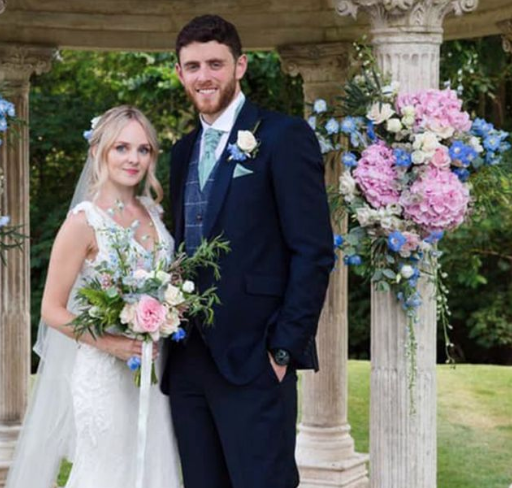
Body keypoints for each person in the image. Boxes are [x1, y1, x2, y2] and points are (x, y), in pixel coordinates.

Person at [162, 15, 335, 488]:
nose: (204, 76)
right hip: (186, 360)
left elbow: (314, 251)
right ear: (179, 72)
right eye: (193, 66)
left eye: (215, 63)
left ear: (240, 65)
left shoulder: (283, 136)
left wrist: (283, 349)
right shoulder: (182, 151)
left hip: (256, 357)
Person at [5, 106, 181, 488]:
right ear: (98, 151)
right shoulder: (83, 222)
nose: (133, 158)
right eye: (121, 147)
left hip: (155, 369)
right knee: (107, 473)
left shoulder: (154, 213)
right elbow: (51, 310)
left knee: (154, 469)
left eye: (143, 149)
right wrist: (112, 343)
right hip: (104, 374)